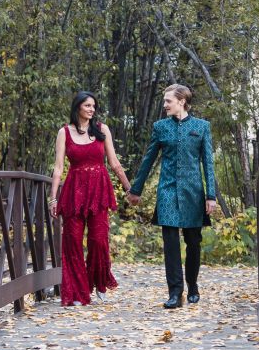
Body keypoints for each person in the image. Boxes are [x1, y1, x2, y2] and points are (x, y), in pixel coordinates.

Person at [128, 84, 218, 309]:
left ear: (182, 101)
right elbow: (149, 159)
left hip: (193, 193)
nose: (165, 104)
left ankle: (193, 285)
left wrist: (211, 195)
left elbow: (208, 163)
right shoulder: (160, 127)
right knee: (170, 242)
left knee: (193, 242)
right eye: (165, 101)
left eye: (168, 101)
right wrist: (136, 190)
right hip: (167, 190)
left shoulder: (201, 127)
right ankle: (175, 293)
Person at [49, 91, 131, 306]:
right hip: (74, 192)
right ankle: (77, 291)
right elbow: (58, 168)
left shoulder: (102, 129)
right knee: (72, 241)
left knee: (98, 240)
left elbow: (114, 163)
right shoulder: (64, 133)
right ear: (78, 107)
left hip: (98, 191)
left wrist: (129, 189)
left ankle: (99, 284)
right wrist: (53, 198)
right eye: (87, 105)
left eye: (93, 106)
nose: (92, 109)